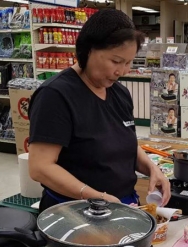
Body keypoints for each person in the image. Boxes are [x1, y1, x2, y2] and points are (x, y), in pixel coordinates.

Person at [28, 9, 171, 212]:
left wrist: (152, 168)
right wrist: (97, 197)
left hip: (121, 206)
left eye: (128, 62)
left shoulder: (120, 93)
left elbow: (124, 141)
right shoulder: (56, 95)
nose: (122, 71)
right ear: (88, 50)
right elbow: (40, 168)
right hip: (74, 212)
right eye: (115, 61)